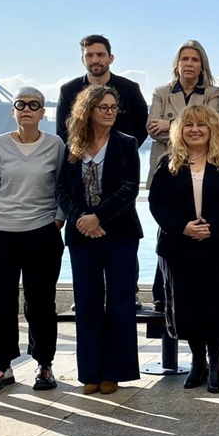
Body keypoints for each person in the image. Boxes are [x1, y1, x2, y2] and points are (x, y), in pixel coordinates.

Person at [148, 104, 219, 394]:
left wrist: (212, 227)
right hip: (180, 246)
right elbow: (157, 203)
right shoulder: (169, 163)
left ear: (212, 129)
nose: (195, 130)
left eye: (201, 125)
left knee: (217, 307)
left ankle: (215, 363)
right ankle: (197, 361)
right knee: (188, 307)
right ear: (180, 130)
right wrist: (183, 227)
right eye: (189, 125)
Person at [0, 88, 66, 392]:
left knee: (40, 304)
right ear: (13, 111)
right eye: (21, 104)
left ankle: (44, 366)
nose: (27, 109)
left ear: (43, 113)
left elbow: (63, 186)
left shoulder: (55, 145)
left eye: (34, 105)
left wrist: (58, 219)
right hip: (1, 235)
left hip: (42, 233)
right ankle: (2, 367)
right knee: (0, 304)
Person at [55, 85, 144, 394]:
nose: (110, 112)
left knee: (120, 302)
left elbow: (129, 188)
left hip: (119, 233)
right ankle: (90, 372)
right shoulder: (73, 146)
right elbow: (62, 189)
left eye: (112, 107)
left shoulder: (127, 144)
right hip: (82, 235)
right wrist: (81, 218)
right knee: (88, 302)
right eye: (103, 107)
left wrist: (98, 217)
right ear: (88, 111)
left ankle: (115, 372)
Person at [146, 40, 219, 313]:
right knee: (168, 228)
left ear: (202, 65)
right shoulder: (160, 91)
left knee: (201, 222)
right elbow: (153, 128)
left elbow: (216, 124)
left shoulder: (213, 92)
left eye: (194, 59)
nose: (189, 64)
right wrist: (188, 123)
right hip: (169, 168)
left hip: (205, 165)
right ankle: (161, 291)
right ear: (176, 65)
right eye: (184, 59)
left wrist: (172, 124)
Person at [56, 34, 149, 148]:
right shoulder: (68, 90)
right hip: (80, 159)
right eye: (89, 55)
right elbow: (62, 131)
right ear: (82, 60)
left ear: (111, 58)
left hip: (120, 160)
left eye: (100, 54)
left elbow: (143, 125)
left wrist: (127, 151)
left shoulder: (130, 89)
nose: (95, 60)